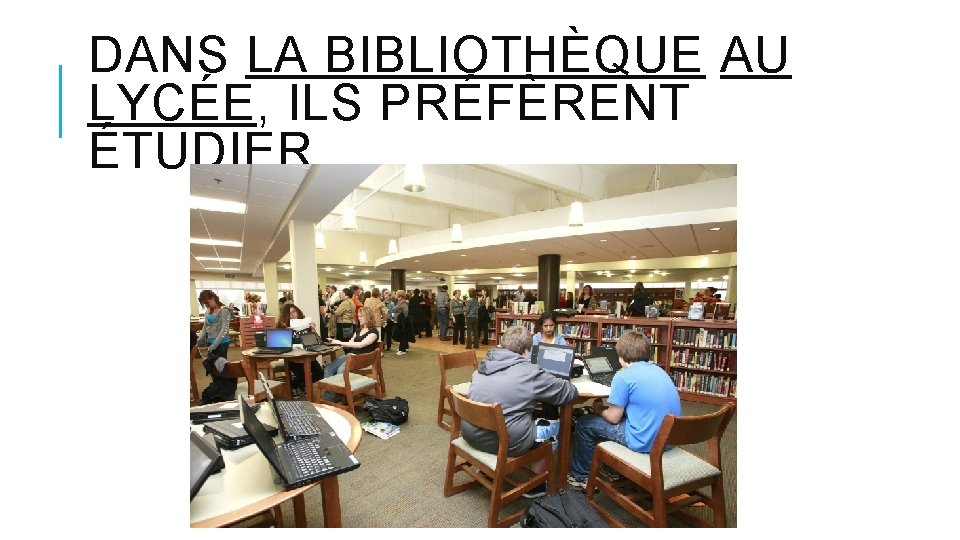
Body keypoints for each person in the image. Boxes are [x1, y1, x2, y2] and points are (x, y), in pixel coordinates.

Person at [464, 326, 580, 498]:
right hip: (506, 443)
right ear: (527, 352)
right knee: (555, 425)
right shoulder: (530, 373)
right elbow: (570, 393)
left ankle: (486, 469)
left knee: (522, 411)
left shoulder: (483, 366)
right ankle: (536, 485)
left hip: (471, 434)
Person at [566, 330, 681, 490]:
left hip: (644, 441)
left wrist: (599, 409)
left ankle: (580, 476)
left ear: (621, 355)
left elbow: (613, 418)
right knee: (609, 419)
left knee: (585, 424)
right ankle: (611, 468)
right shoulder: (659, 370)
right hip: (669, 438)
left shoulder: (623, 377)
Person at [322, 306, 381, 401]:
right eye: (358, 316)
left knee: (341, 370)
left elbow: (360, 345)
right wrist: (336, 344)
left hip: (361, 359)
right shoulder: (358, 330)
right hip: (351, 356)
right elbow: (350, 343)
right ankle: (333, 394)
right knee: (328, 369)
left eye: (361, 316)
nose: (358, 318)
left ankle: (334, 395)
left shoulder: (373, 332)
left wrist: (339, 342)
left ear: (368, 317)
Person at [197, 289, 236, 402]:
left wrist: (214, 345)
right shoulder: (208, 312)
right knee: (213, 369)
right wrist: (200, 340)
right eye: (204, 304)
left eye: (207, 303)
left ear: (212, 299)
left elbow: (224, 330)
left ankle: (224, 393)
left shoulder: (224, 311)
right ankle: (216, 391)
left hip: (221, 344)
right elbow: (205, 328)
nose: (206, 305)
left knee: (221, 368)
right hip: (210, 343)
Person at [276, 303, 320, 398]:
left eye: (294, 311)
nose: (293, 315)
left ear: (298, 311)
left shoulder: (305, 323)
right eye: (289, 313)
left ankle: (297, 386)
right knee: (301, 375)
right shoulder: (283, 326)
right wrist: (287, 333)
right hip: (292, 357)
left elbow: (315, 342)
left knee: (319, 373)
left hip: (307, 355)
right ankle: (296, 386)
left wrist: (313, 330)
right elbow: (279, 344)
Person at [392, 290, 412, 356]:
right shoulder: (400, 302)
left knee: (402, 335)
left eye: (396, 294)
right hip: (401, 321)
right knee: (404, 335)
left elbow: (405, 312)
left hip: (402, 322)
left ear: (400, 296)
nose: (395, 295)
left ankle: (402, 350)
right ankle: (405, 347)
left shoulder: (403, 303)